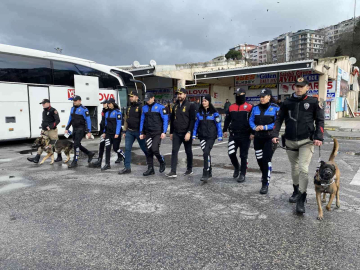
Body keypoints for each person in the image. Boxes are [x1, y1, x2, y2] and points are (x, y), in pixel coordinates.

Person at [272, 77, 324, 214]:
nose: (299, 88)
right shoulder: (287, 102)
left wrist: (319, 136)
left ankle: (302, 197)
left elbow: (320, 120)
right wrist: (274, 134)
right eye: (297, 86)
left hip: (306, 141)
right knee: (294, 168)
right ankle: (296, 190)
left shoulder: (313, 102)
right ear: (294, 87)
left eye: (302, 86)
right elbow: (279, 119)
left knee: (303, 169)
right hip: (290, 140)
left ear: (307, 87)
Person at [249, 89, 280, 194]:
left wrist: (265, 127)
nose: (261, 98)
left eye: (264, 96)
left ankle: (265, 183)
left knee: (266, 160)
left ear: (269, 97)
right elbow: (251, 120)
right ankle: (265, 173)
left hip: (269, 138)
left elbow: (277, 123)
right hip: (258, 138)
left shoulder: (275, 108)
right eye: (260, 96)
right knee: (259, 159)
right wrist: (255, 127)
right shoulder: (255, 108)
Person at [223, 88, 253, 182]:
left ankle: (242, 174)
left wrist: (252, 132)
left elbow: (252, 121)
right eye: (236, 94)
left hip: (245, 135)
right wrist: (224, 130)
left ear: (244, 94)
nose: (238, 96)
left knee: (243, 156)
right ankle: (237, 167)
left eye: (239, 94)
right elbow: (227, 120)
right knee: (231, 153)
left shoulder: (249, 107)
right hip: (233, 134)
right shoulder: (231, 107)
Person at [165, 88, 196, 178]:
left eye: (181, 94)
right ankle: (173, 171)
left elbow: (192, 120)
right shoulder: (175, 106)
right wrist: (171, 132)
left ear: (185, 95)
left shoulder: (190, 105)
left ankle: (189, 169)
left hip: (186, 133)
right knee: (174, 151)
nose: (179, 95)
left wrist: (189, 132)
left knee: (188, 151)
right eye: (178, 94)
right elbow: (172, 119)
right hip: (176, 133)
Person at [192, 94, 223, 182]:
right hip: (202, 136)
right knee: (207, 154)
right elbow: (196, 125)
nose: (203, 102)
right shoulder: (199, 113)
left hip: (211, 136)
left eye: (205, 101)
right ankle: (210, 171)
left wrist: (220, 135)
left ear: (209, 102)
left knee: (206, 153)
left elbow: (218, 125)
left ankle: (205, 172)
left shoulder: (215, 113)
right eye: (203, 101)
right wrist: (194, 134)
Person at [118, 91, 148, 175]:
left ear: (137, 97)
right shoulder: (128, 108)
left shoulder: (141, 107)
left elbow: (144, 120)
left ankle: (150, 163)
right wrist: (124, 130)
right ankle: (127, 167)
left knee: (144, 148)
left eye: (132, 96)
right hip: (129, 132)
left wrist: (143, 132)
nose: (130, 98)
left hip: (139, 132)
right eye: (130, 96)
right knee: (127, 149)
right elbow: (126, 120)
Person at [140, 92, 168, 176]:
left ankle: (161, 161)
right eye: (146, 100)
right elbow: (142, 120)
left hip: (157, 132)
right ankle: (150, 169)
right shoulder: (144, 108)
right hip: (148, 132)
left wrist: (164, 132)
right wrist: (141, 132)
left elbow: (165, 120)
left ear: (153, 98)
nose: (147, 101)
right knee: (148, 150)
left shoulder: (160, 107)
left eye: (148, 99)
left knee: (155, 149)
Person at [65, 95, 95, 168]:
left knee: (76, 145)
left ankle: (75, 161)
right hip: (74, 129)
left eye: (75, 101)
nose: (74, 102)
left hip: (81, 129)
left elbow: (88, 121)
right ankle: (89, 153)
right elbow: (70, 119)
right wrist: (67, 128)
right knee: (77, 144)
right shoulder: (72, 109)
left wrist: (89, 131)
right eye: (73, 101)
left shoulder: (84, 109)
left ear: (79, 101)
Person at [27, 99, 60, 163]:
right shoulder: (44, 111)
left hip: (52, 131)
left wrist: (50, 126)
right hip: (44, 131)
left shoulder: (53, 111)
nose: (43, 105)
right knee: (41, 143)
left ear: (48, 103)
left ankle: (59, 156)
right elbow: (44, 121)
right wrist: (42, 129)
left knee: (55, 144)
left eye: (44, 103)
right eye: (42, 104)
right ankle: (37, 158)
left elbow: (57, 120)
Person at [100, 98, 124, 171]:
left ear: (113, 103)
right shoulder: (107, 113)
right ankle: (107, 164)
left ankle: (124, 156)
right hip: (108, 134)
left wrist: (117, 133)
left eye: (110, 103)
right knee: (107, 148)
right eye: (108, 103)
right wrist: (104, 132)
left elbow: (119, 123)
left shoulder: (117, 112)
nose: (109, 105)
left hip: (115, 134)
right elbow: (106, 124)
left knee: (115, 148)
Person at [89, 99, 109, 168]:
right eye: (103, 103)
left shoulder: (110, 111)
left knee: (115, 147)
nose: (103, 105)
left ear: (108, 104)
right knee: (101, 146)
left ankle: (120, 156)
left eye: (104, 103)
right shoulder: (103, 110)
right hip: (103, 131)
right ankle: (99, 161)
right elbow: (103, 121)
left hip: (108, 132)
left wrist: (105, 132)